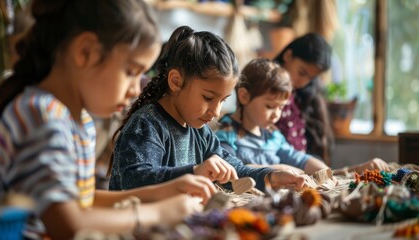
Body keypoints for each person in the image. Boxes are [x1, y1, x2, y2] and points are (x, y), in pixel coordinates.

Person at [0, 1, 218, 239]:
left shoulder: (78, 120)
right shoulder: (41, 116)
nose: (135, 89)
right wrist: (158, 213)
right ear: (86, 52)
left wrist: (165, 191)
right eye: (131, 71)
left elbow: (82, 201)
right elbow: (69, 225)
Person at [107, 25, 306, 193]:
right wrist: (194, 172)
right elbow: (133, 181)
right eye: (208, 98)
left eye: (222, 101)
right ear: (176, 81)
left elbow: (234, 171)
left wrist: (272, 177)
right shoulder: (147, 125)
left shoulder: (201, 132)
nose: (216, 112)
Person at [216, 58, 389, 176]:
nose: (276, 114)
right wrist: (279, 169)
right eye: (270, 106)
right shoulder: (227, 132)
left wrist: (324, 173)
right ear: (244, 96)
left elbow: (299, 159)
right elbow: (232, 168)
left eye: (281, 108)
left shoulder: (272, 134)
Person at [273, 32, 334, 162]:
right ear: (288, 55)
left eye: (311, 78)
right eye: (302, 73)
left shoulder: (305, 97)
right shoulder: (262, 86)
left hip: (302, 170)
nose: (303, 82)